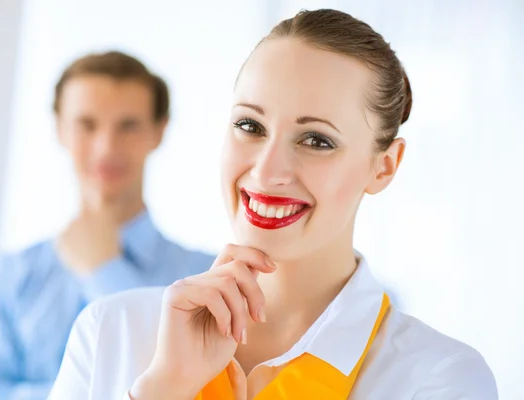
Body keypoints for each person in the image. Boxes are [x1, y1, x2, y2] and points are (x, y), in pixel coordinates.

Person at [49, 10, 497, 400]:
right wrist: (163, 388)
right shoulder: (109, 330)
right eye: (250, 125)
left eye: (316, 140)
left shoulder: (440, 379)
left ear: (384, 167)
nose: (266, 171)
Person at [0, 51, 215, 399]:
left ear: (159, 131)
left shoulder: (208, 276)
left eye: (128, 126)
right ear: (59, 129)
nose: (106, 147)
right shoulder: (3, 278)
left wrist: (105, 272)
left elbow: (200, 388)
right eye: (87, 124)